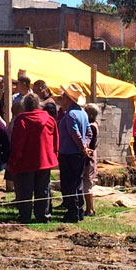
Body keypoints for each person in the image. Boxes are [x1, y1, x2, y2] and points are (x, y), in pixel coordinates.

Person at [9, 94, 58, 223]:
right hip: (44, 160)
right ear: (38, 104)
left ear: (24, 105)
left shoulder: (22, 120)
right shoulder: (49, 119)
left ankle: (25, 216)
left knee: (25, 190)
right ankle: (43, 215)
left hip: (26, 161)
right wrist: (54, 154)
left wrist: (14, 158)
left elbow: (18, 141)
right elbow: (55, 139)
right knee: (43, 190)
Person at [58, 83, 92, 222]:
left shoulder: (71, 114)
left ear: (68, 98)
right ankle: (79, 210)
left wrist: (82, 146)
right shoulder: (82, 113)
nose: (61, 99)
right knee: (77, 182)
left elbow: (74, 133)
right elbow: (88, 132)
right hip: (77, 153)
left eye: (63, 96)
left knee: (68, 183)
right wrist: (85, 145)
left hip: (68, 154)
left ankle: (72, 212)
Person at [83, 103, 100, 217]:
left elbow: (89, 144)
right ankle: (90, 208)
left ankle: (89, 209)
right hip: (91, 156)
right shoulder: (94, 124)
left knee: (87, 183)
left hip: (89, 157)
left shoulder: (92, 126)